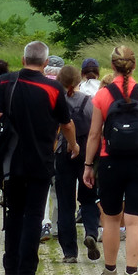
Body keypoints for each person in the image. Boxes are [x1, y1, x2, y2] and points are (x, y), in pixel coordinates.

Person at [0, 40, 76, 275]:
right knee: (34, 216)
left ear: (23, 58)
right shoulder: (53, 87)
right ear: (46, 62)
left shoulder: (5, 82)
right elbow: (67, 124)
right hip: (41, 160)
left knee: (12, 214)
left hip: (11, 160)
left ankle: (11, 274)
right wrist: (73, 146)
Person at [83, 44, 138, 275]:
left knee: (111, 219)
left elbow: (95, 134)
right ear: (134, 65)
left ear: (113, 66)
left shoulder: (103, 95)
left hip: (110, 162)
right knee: (134, 221)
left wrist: (88, 165)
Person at [53, 64, 100, 263]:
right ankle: (90, 232)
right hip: (86, 152)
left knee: (65, 203)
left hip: (63, 151)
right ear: (79, 81)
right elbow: (96, 129)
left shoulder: (55, 102)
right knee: (89, 197)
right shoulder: (89, 102)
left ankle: (70, 252)